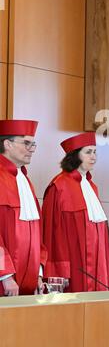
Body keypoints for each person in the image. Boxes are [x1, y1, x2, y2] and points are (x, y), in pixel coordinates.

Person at [42, 132, 109, 292]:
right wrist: (58, 272)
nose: (93, 156)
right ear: (74, 155)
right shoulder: (58, 186)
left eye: (95, 152)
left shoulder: (92, 186)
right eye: (88, 152)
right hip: (74, 267)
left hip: (97, 266)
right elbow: (52, 233)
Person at [0, 119, 47, 296]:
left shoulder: (26, 181)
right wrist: (4, 276)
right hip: (6, 280)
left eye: (33, 144)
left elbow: (37, 234)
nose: (32, 149)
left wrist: (38, 273)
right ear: (7, 144)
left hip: (29, 280)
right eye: (26, 143)